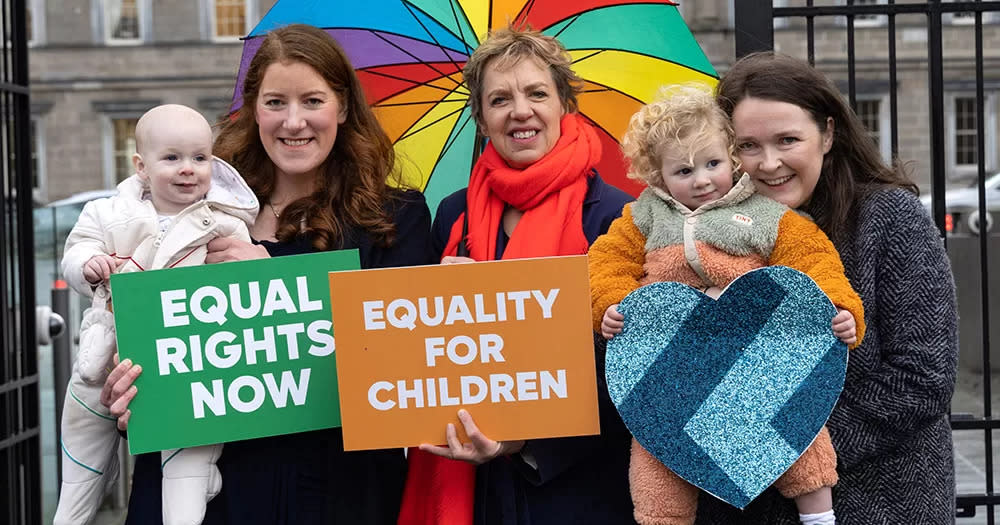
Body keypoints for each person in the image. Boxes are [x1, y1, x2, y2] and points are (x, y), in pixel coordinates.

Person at [100, 24, 433, 524]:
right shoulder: (193, 203)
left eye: (313, 101)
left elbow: (398, 364)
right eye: (275, 102)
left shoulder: (397, 217)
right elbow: (160, 336)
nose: (293, 121)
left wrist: (272, 277)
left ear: (342, 107)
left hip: (332, 490)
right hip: (206, 493)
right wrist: (131, 395)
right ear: (253, 109)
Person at [694, 52, 958, 524]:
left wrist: (781, 444)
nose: (769, 163)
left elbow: (923, 376)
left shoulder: (889, 220)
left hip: (879, 501)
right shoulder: (703, 232)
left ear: (828, 134)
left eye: (788, 140)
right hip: (743, 504)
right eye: (748, 145)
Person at [588, 83, 865, 525]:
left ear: (732, 158)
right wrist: (613, 303)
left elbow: (813, 258)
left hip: (753, 355)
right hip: (671, 359)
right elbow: (605, 260)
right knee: (656, 450)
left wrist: (838, 306)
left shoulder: (764, 214)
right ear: (658, 176)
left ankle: (819, 517)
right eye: (683, 171)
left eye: (713, 163)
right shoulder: (644, 216)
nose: (701, 179)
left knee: (800, 429)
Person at [399, 26, 636, 525]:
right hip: (477, 493)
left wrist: (522, 440)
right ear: (481, 119)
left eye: (537, 93)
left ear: (565, 105)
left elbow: (634, 367)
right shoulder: (452, 214)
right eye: (499, 99)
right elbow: (421, 351)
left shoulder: (619, 216)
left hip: (577, 490)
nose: (520, 111)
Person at [54, 103, 257, 525]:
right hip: (106, 352)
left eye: (200, 158)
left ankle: (196, 489)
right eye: (172, 158)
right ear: (141, 166)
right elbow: (76, 252)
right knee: (81, 447)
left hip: (189, 363)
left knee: (189, 452)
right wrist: (87, 265)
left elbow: (244, 293)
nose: (188, 169)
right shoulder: (107, 213)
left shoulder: (224, 223)